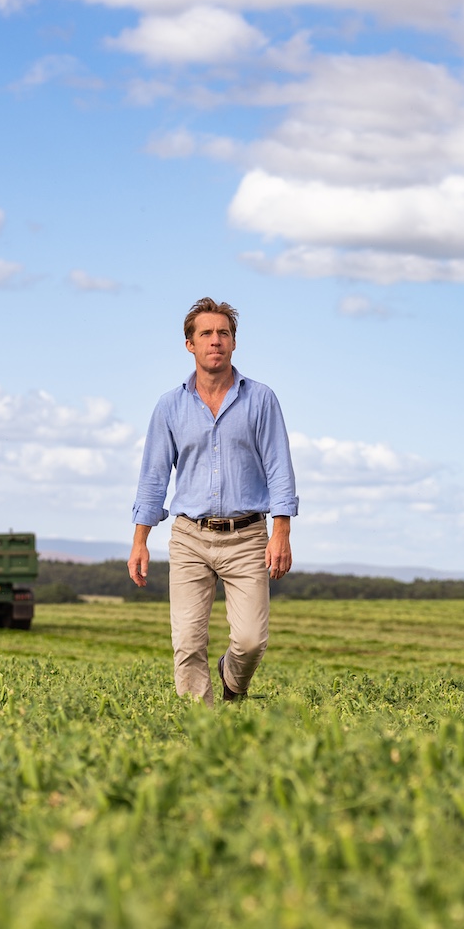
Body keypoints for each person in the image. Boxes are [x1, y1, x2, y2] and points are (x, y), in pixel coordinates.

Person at [130, 297, 298, 705]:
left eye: (223, 333)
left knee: (251, 641)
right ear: (189, 344)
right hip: (189, 536)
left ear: (234, 343)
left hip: (247, 537)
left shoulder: (260, 399)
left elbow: (279, 467)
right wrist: (140, 541)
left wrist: (281, 532)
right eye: (205, 334)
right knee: (187, 642)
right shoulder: (170, 406)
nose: (215, 341)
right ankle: (201, 732)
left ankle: (232, 680)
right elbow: (154, 476)